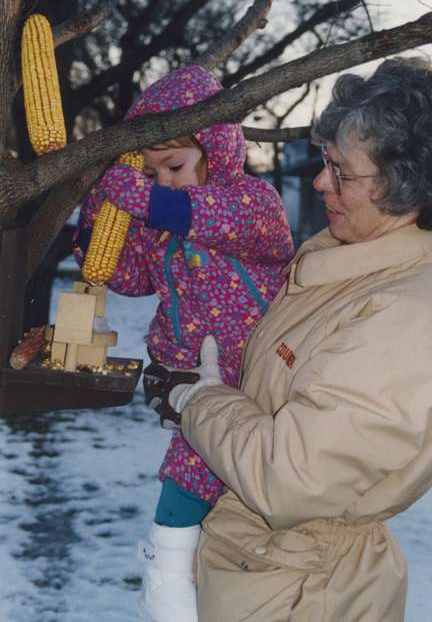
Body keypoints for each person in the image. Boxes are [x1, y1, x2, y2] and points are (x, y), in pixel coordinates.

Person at [161, 57, 432, 622]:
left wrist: (199, 400)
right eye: (324, 161)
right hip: (267, 567)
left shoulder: (408, 315)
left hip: (305, 591)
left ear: (404, 182)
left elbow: (291, 479)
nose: (319, 182)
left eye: (342, 172)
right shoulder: (350, 257)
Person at [73, 65, 294, 621]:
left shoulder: (251, 202)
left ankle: (169, 581)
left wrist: (142, 197)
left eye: (172, 166)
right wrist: (99, 210)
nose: (163, 181)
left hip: (251, 379)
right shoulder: (161, 228)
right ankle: (178, 575)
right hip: (185, 384)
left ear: (214, 148)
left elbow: (201, 214)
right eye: (151, 171)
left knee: (198, 477)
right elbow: (126, 276)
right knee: (203, 477)